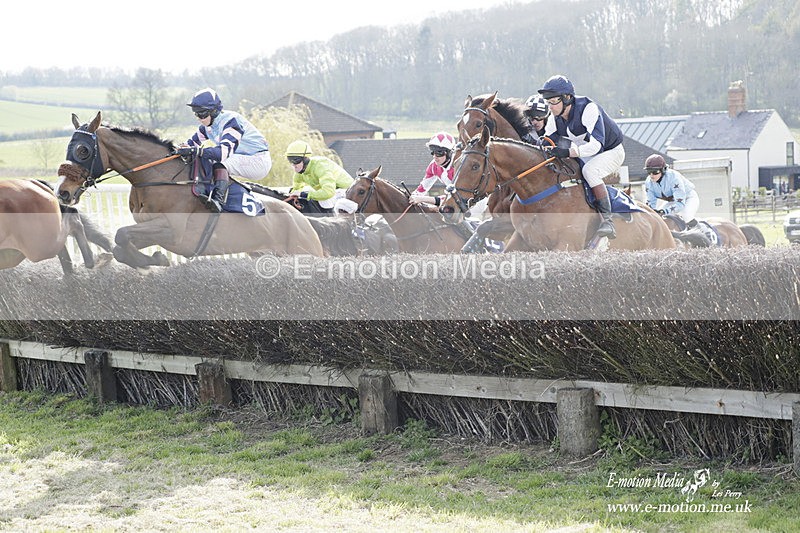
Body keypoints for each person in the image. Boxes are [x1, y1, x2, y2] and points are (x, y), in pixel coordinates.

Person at [538, 75, 625, 239]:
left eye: (554, 101)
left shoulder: (588, 109)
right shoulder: (554, 119)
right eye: (548, 102)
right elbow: (544, 143)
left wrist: (568, 152)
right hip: (587, 154)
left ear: (567, 98)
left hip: (610, 151)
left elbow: (596, 145)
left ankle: (608, 221)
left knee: (590, 172)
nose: (550, 107)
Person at [179, 88, 271, 213]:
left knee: (221, 162)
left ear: (214, 111)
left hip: (259, 160)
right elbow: (189, 146)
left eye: (201, 113)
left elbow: (222, 153)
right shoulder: (207, 127)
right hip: (241, 158)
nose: (199, 118)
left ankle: (218, 201)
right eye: (196, 113)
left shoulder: (232, 121)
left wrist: (197, 151)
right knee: (205, 160)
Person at [285, 140, 354, 210]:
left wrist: (303, 194)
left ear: (305, 159)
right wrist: (293, 194)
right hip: (332, 191)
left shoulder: (320, 167)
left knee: (324, 201)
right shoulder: (299, 173)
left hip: (349, 191)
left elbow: (328, 193)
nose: (293, 165)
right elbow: (296, 189)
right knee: (312, 194)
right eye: (290, 160)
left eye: (296, 160)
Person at [644, 154, 699, 227]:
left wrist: (664, 211)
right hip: (672, 201)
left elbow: (680, 204)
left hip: (688, 198)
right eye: (649, 172)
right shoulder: (648, 182)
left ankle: (703, 233)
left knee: (686, 216)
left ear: (663, 170)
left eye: (655, 172)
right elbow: (651, 205)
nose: (651, 175)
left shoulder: (673, 178)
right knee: (659, 218)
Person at [409, 132, 457, 207]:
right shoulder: (433, 166)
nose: (435, 156)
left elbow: (454, 198)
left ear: (449, 153)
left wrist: (422, 199)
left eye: (439, 152)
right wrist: (411, 197)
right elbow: (421, 190)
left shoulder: (458, 168)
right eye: (433, 152)